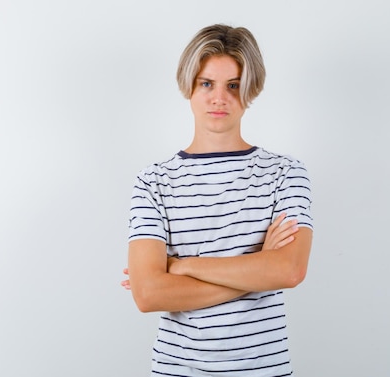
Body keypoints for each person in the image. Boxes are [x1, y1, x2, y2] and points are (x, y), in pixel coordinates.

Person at [121, 24, 314, 376]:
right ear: (189, 86)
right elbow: (148, 294)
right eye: (207, 83)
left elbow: (288, 270)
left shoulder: (285, 173)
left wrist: (181, 266)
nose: (219, 98)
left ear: (251, 89)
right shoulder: (153, 182)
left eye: (234, 86)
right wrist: (257, 268)